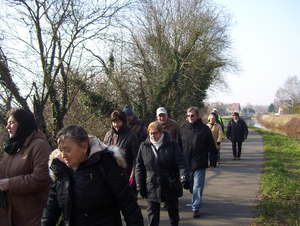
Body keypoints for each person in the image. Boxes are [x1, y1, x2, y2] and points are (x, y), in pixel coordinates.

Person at [41, 125, 144, 225]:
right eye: (61, 150)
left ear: (84, 146)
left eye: (67, 150)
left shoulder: (105, 163)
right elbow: (51, 208)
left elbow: (128, 203)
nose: (63, 155)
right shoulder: (61, 168)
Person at [0, 108, 52, 226]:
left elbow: (42, 178)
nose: (8, 127)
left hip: (31, 216)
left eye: (12, 123)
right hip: (10, 215)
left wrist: (10, 184)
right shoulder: (10, 148)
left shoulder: (39, 145)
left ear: (23, 124)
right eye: (7, 123)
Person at [135, 121, 190, 226]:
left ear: (162, 132)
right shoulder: (144, 146)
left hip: (170, 184)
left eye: (155, 133)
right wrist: (139, 185)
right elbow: (139, 167)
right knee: (152, 214)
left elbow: (182, 163)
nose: (153, 135)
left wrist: (184, 177)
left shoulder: (172, 145)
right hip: (152, 185)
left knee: (173, 211)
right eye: (151, 133)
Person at [177, 107, 217, 218]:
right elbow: (178, 146)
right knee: (190, 185)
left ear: (197, 116)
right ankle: (196, 198)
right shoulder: (183, 129)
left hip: (200, 163)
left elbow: (211, 146)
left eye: (192, 115)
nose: (190, 117)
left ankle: (196, 207)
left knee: (198, 186)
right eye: (188, 115)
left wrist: (213, 160)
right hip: (186, 163)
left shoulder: (204, 129)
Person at [104, 110, 139, 188]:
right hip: (111, 174)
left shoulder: (132, 136)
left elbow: (136, 159)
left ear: (124, 122)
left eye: (118, 122)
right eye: (114, 122)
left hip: (126, 173)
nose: (116, 125)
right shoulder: (108, 134)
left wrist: (133, 177)